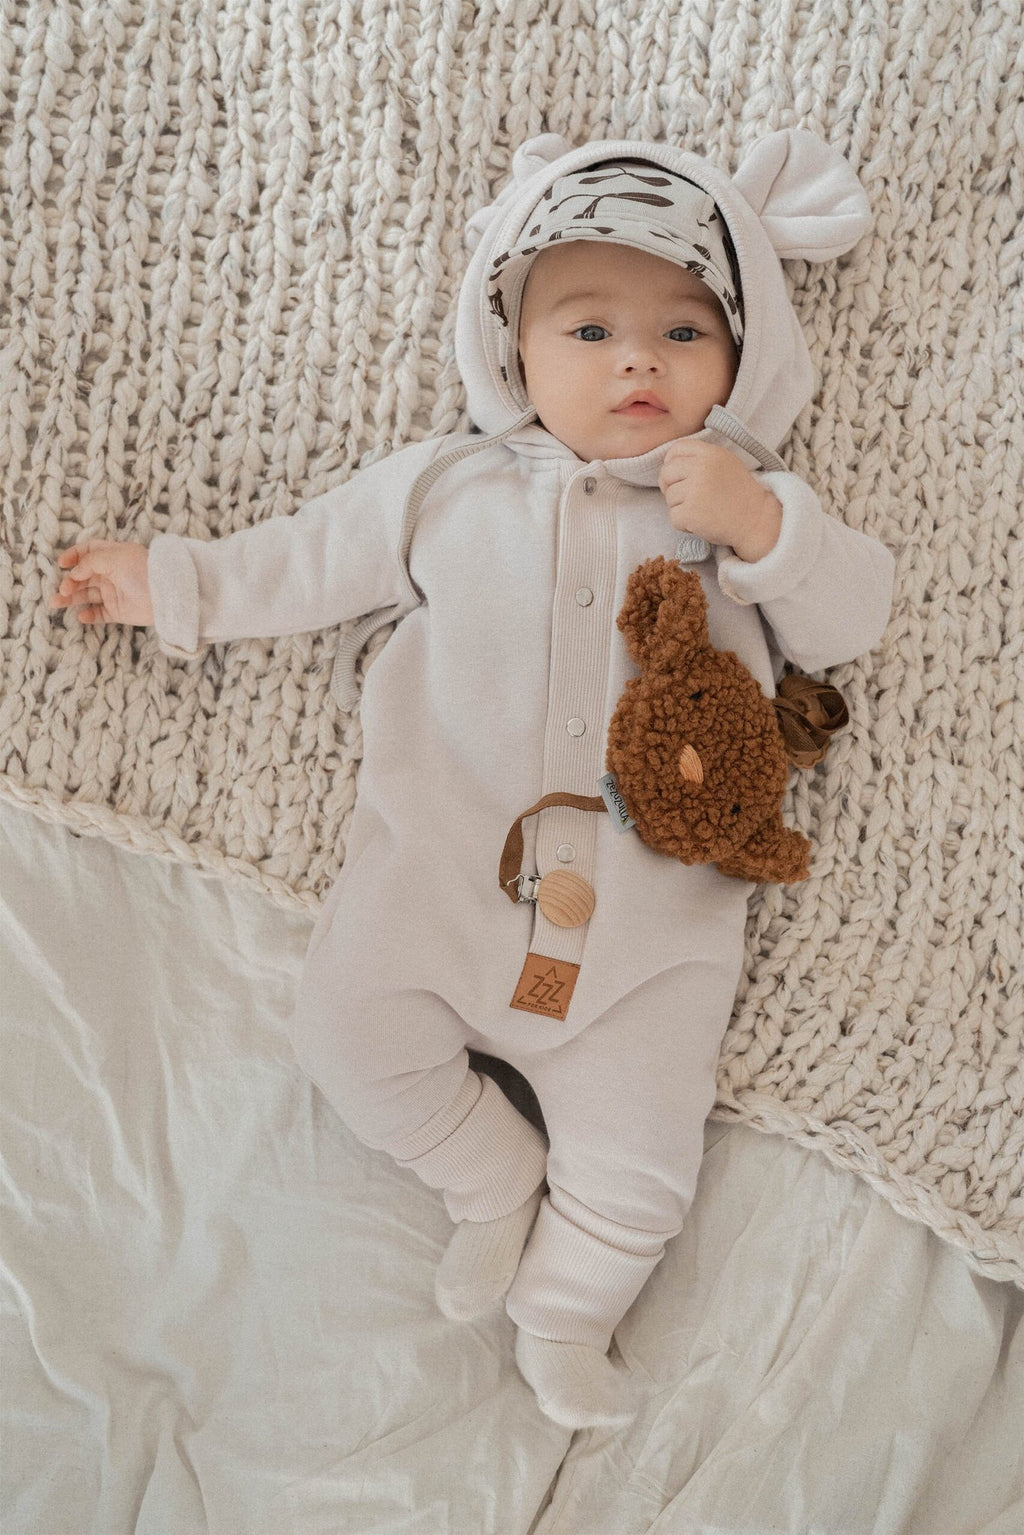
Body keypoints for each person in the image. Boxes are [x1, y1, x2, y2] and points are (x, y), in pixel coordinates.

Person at [49, 130, 895, 1430]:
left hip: (647, 950)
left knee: (643, 1163)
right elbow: (310, 557)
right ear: (512, 349)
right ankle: (488, 1175)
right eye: (592, 327)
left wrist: (768, 528)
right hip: (437, 893)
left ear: (743, 353)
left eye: (683, 332)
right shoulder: (452, 489)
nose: (636, 360)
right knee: (343, 1025)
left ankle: (568, 1314)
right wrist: (179, 581)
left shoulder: (735, 509)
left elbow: (852, 619)